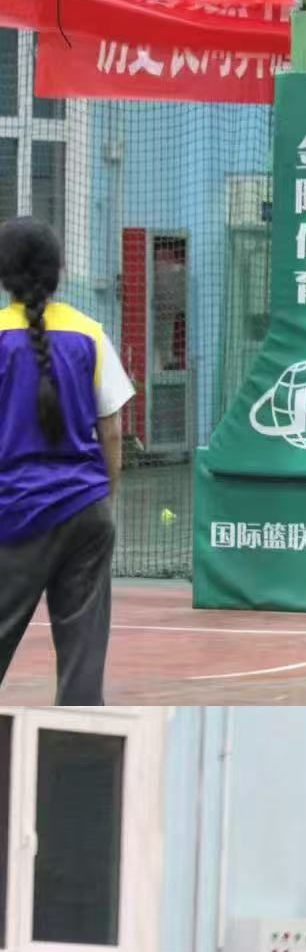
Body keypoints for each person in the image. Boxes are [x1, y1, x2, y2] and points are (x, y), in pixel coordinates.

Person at [0, 217, 134, 705]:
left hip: (15, 512)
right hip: (86, 512)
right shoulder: (90, 333)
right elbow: (112, 429)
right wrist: (104, 495)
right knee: (82, 673)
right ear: (60, 270)